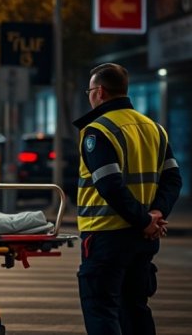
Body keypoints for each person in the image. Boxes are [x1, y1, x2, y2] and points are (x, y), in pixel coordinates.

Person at [73, 63, 182, 335]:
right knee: (135, 308)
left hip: (106, 236)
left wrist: (146, 220)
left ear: (99, 92)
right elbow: (173, 179)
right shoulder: (154, 128)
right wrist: (156, 213)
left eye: (90, 90)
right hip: (142, 239)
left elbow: (109, 185)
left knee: (102, 310)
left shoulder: (98, 130)